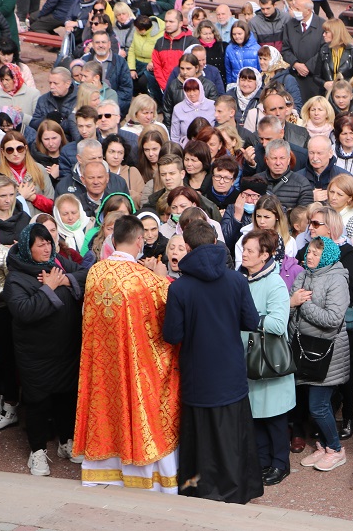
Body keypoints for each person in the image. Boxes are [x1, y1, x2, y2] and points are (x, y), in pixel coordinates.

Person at [74, 215, 180, 491]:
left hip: (102, 366)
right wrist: (162, 278)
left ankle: (102, 473)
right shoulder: (146, 280)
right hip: (135, 366)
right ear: (139, 240)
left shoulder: (95, 273)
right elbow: (169, 321)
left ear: (113, 238)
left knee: (105, 410)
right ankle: (146, 477)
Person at [163, 220, 262, 503]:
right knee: (232, 437)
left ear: (188, 247)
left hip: (198, 373)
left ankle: (201, 490)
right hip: (230, 369)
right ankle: (238, 491)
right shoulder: (236, 280)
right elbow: (251, 321)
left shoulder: (180, 288)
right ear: (216, 243)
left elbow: (172, 335)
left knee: (203, 439)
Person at [3, 223, 87, 476]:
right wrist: (49, 287)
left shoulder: (58, 263)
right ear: (27, 248)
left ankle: (66, 442)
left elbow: (87, 272)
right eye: (40, 244)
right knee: (38, 402)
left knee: (66, 397)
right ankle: (37, 451)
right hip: (36, 354)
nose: (47, 248)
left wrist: (65, 279)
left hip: (66, 348)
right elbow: (25, 311)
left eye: (49, 242)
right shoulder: (15, 278)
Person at [238, 228, 294, 487]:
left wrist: (252, 318)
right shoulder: (242, 279)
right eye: (244, 249)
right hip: (248, 357)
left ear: (265, 255)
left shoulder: (274, 283)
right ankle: (262, 461)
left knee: (274, 416)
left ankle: (281, 463)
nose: (244, 254)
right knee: (255, 414)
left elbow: (279, 324)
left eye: (250, 250)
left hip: (268, 359)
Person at [290, 235, 350, 470]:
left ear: (326, 256)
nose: (310, 256)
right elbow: (291, 310)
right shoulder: (303, 275)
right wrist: (292, 303)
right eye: (309, 251)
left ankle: (335, 449)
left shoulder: (337, 279)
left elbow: (333, 319)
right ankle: (324, 445)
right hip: (304, 349)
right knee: (314, 405)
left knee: (318, 406)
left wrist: (303, 304)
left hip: (326, 353)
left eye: (316, 253)